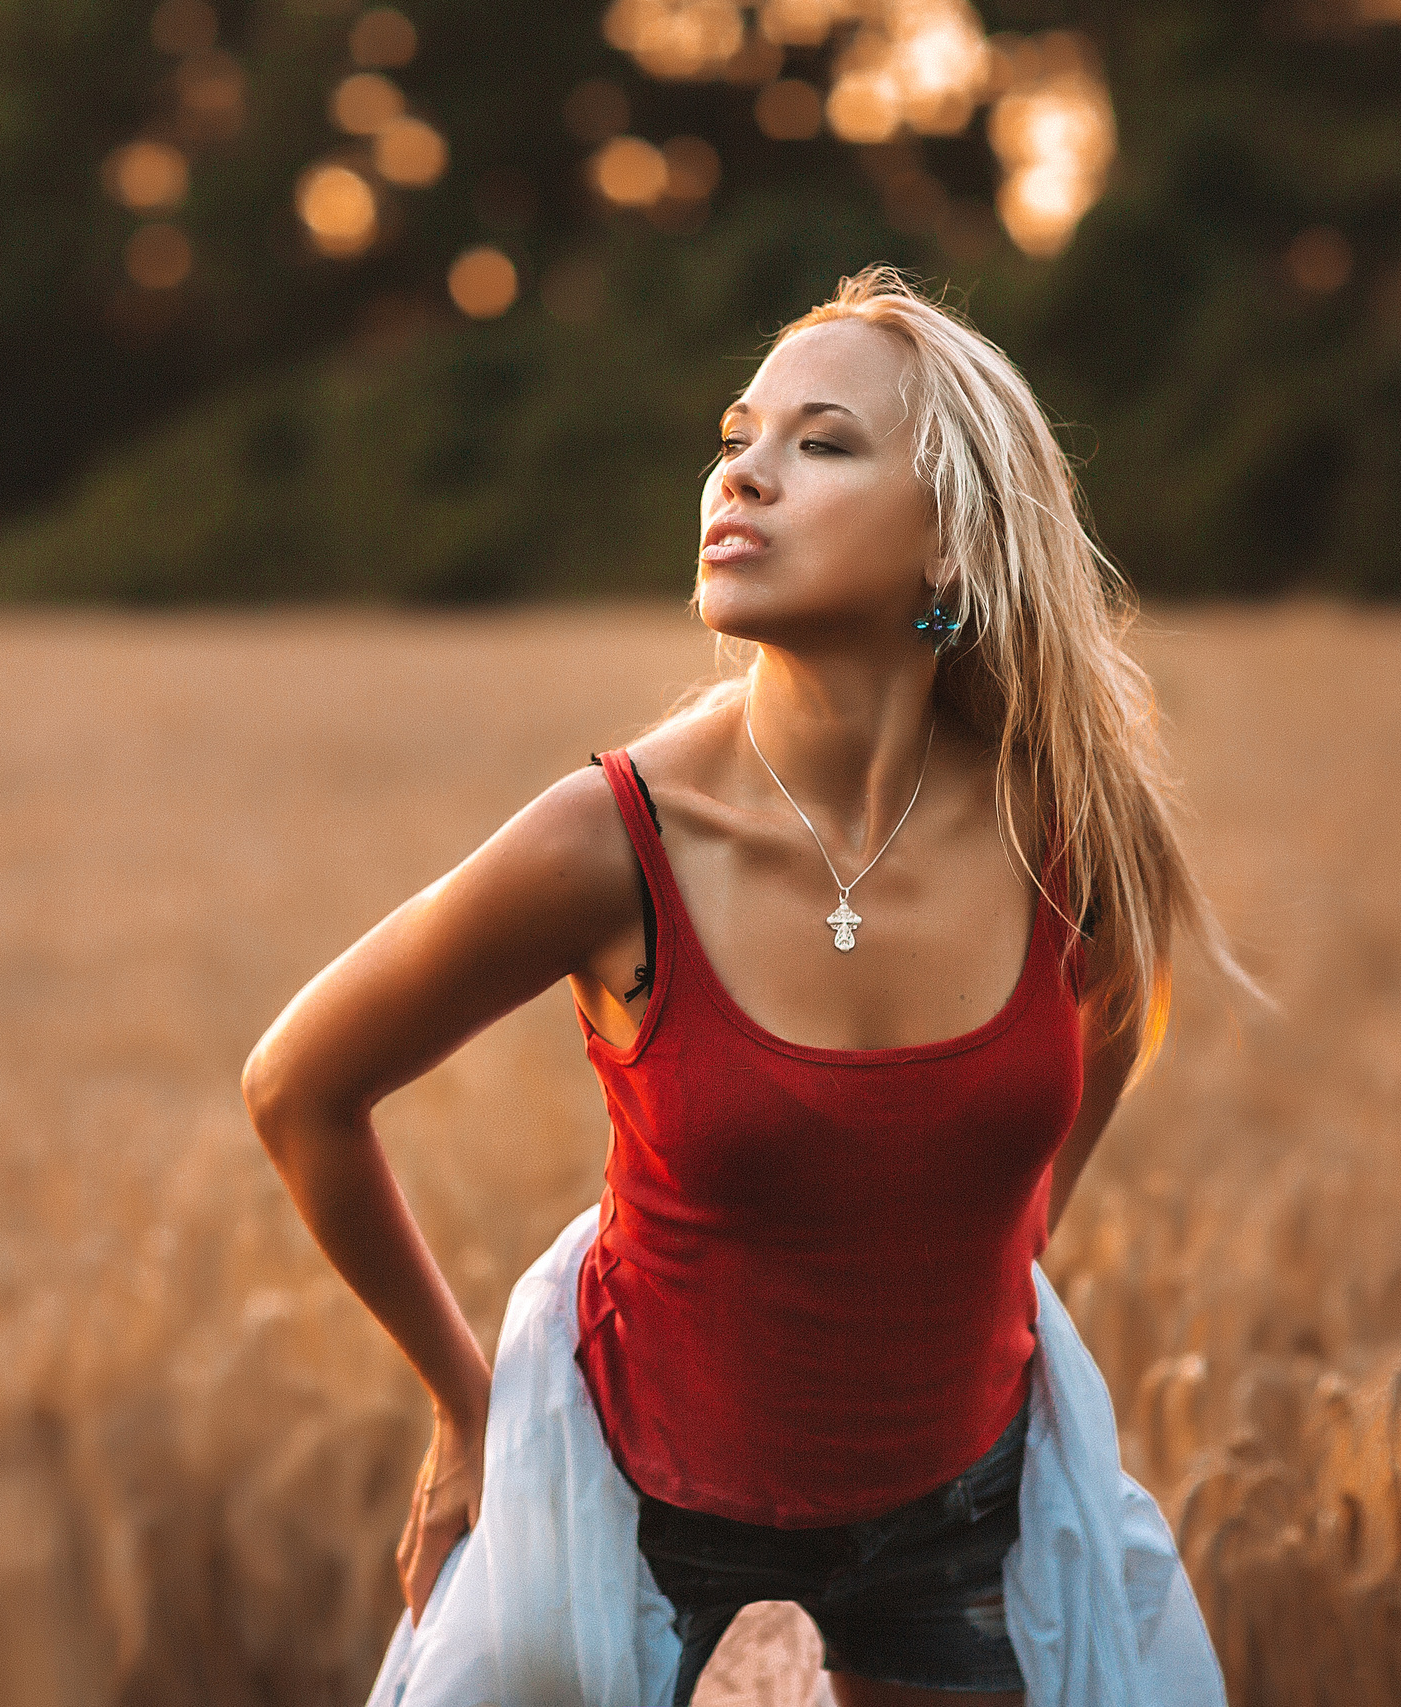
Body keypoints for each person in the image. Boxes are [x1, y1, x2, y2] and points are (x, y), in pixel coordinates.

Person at [241, 267, 1248, 1703]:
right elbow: (300, 1088)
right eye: (736, 438)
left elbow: (1121, 1005)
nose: (744, 476)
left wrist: (1006, 1247)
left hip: (969, 1508)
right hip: (645, 1513)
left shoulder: (1065, 830)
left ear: (954, 548)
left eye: (821, 443)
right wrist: (469, 1411)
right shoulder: (617, 842)